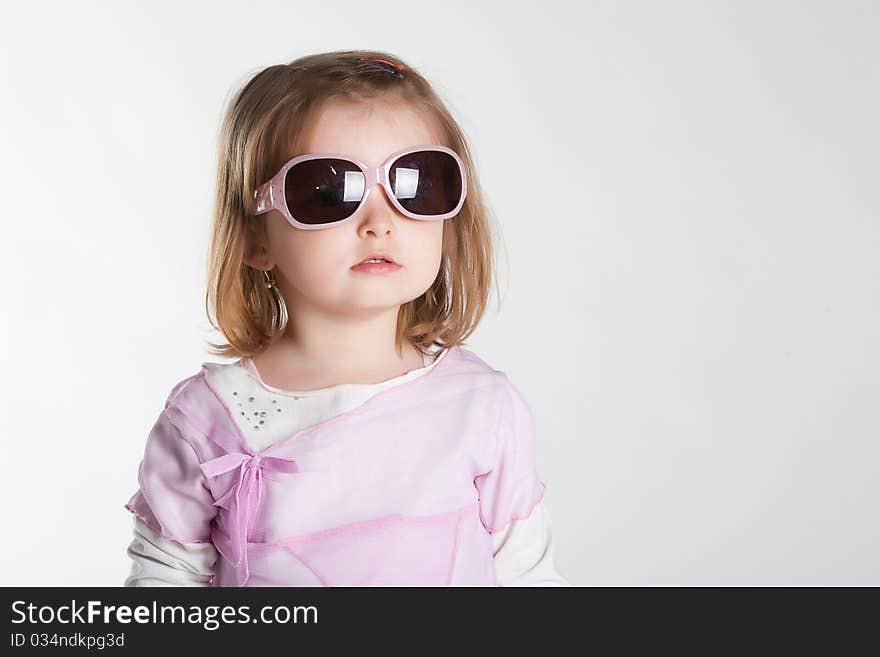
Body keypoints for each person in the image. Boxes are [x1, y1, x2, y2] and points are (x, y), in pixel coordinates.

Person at [123, 50, 568, 587]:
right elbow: (163, 586)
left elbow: (528, 578)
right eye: (329, 191)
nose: (380, 222)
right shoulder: (207, 421)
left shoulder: (482, 407)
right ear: (256, 237)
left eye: (417, 184)